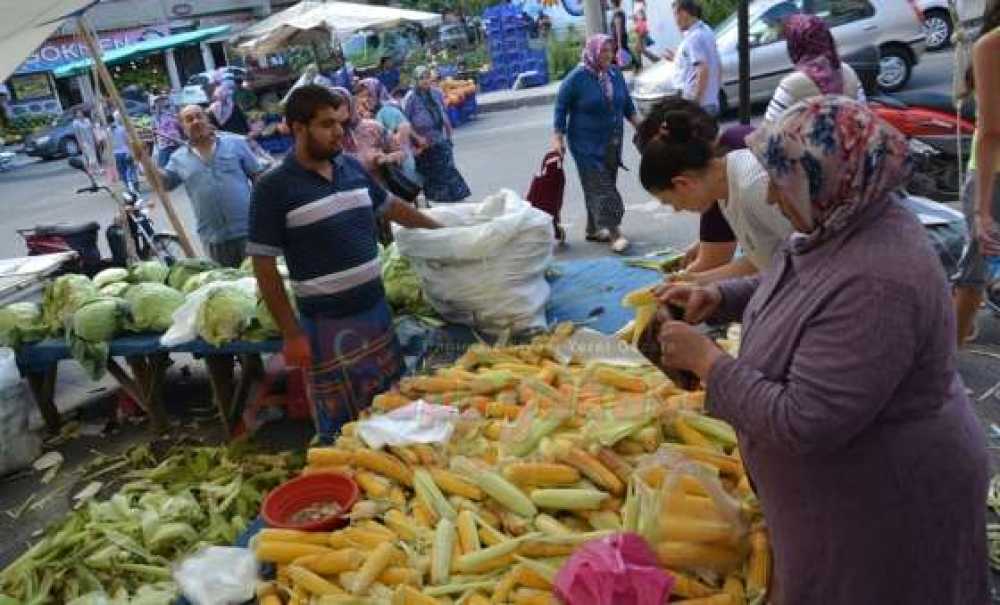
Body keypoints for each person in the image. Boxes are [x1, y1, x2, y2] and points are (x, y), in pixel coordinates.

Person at [654, 97, 989, 605]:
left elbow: (806, 421)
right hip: (844, 502)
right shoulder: (838, 223)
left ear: (829, 176)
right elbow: (795, 282)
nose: (769, 192)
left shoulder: (881, 280)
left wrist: (709, 363)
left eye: (782, 180)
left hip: (887, 504)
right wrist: (719, 296)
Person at [247, 84, 441, 440]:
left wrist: (440, 229)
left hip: (376, 315)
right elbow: (264, 267)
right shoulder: (272, 188)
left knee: (392, 411)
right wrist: (291, 334)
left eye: (340, 122)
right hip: (325, 328)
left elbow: (392, 207)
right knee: (344, 428)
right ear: (297, 128)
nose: (338, 131)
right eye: (326, 124)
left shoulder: (351, 168)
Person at [638, 98, 791, 282]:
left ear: (683, 184)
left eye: (670, 202)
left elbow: (811, 255)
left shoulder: (753, 186)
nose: (677, 209)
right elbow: (764, 260)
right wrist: (693, 281)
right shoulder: (723, 188)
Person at [553, 34, 639, 253]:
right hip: (585, 145)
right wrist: (558, 138)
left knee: (601, 184)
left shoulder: (615, 74)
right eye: (603, 51)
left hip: (611, 141)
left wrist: (644, 129)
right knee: (602, 188)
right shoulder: (576, 78)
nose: (608, 55)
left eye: (610, 50)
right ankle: (614, 233)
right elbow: (560, 108)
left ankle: (593, 229)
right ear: (592, 51)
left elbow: (627, 106)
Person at [159, 105, 264, 267]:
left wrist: (263, 215)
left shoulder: (235, 143)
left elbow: (258, 177)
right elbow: (164, 184)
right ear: (182, 127)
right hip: (213, 238)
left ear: (207, 119)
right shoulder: (178, 158)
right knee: (227, 285)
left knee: (260, 280)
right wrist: (143, 160)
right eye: (189, 119)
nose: (195, 122)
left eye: (199, 116)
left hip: (248, 231)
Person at [955, 0, 1000, 344]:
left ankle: (945, 360)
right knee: (975, 270)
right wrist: (982, 211)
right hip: (991, 175)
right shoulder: (990, 46)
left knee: (975, 270)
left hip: (991, 177)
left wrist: (982, 212)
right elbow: (989, 133)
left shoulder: (990, 46)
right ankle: (944, 365)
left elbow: (990, 132)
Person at [764, 14, 865, 123]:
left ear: (794, 45)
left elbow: (768, 129)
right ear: (827, 38)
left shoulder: (791, 85)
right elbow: (864, 114)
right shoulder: (847, 71)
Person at [403, 66, 471, 202]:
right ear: (416, 80)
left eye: (427, 77)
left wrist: (449, 132)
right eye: (421, 78)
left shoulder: (436, 93)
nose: (425, 81)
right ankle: (438, 200)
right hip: (423, 142)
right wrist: (416, 138)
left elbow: (443, 113)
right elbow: (406, 121)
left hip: (440, 137)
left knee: (447, 168)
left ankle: (455, 198)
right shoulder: (411, 98)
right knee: (431, 172)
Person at [355, 78, 421, 186]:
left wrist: (380, 151)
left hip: (399, 165)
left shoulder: (386, 110)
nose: (365, 100)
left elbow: (404, 128)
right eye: (362, 96)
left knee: (405, 193)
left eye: (369, 95)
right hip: (388, 167)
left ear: (377, 93)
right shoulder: (371, 113)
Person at [663, 0, 721, 115]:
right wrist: (677, 59)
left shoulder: (694, 38)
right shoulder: (706, 30)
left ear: (684, 13)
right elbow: (716, 62)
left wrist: (695, 103)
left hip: (699, 104)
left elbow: (702, 69)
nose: (675, 21)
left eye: (675, 15)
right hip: (710, 101)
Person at [111, 112, 139, 194]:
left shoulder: (110, 129)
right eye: (119, 117)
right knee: (131, 170)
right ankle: (134, 187)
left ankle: (129, 187)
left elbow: (108, 143)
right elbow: (128, 142)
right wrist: (132, 152)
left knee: (123, 171)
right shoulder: (122, 128)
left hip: (117, 153)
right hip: (126, 152)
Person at [151, 95, 182, 168]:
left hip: (177, 143)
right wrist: (156, 145)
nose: (162, 103)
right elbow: (154, 133)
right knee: (164, 168)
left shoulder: (173, 114)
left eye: (163, 100)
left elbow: (180, 128)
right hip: (165, 146)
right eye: (159, 101)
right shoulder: (155, 118)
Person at [609, 0, 632, 68]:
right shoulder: (619, 12)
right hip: (620, 38)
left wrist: (619, 43)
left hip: (618, 39)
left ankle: (635, 65)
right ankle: (635, 65)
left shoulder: (617, 13)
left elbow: (618, 27)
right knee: (620, 55)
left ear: (612, 3)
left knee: (614, 57)